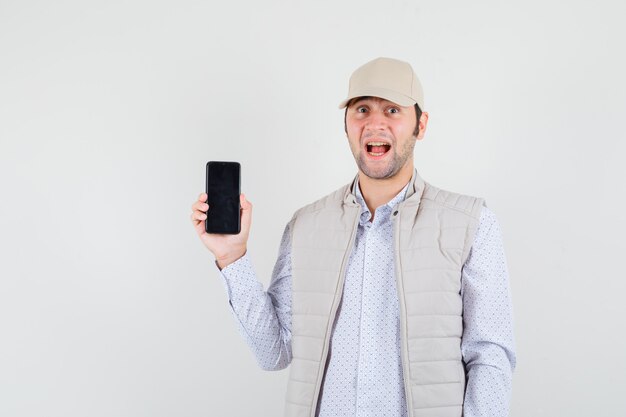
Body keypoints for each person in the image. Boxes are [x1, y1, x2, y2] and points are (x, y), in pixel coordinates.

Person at [190, 57, 516, 417]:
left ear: (420, 125)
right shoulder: (306, 225)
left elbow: (490, 354)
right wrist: (231, 257)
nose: (375, 123)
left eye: (392, 110)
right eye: (362, 109)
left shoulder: (471, 223)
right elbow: (274, 352)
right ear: (346, 125)